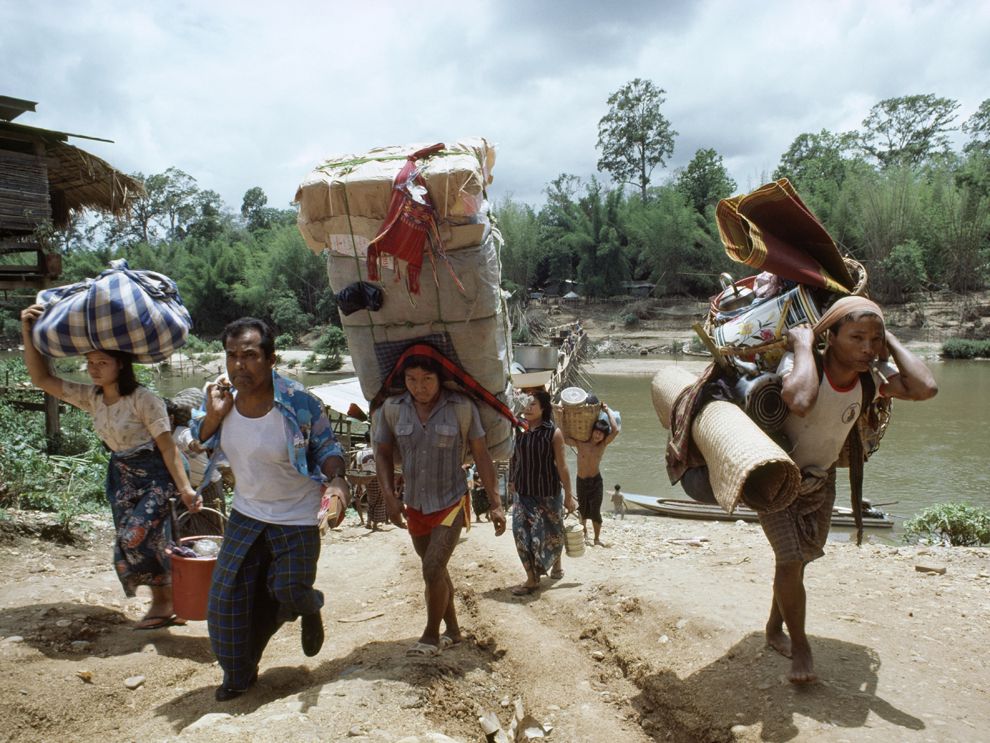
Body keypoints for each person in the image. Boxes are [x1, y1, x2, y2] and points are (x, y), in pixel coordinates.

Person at [761, 297, 937, 683]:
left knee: (800, 560)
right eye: (856, 337)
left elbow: (925, 387)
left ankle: (775, 627)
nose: (866, 348)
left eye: (873, 340)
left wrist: (887, 339)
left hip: (822, 478)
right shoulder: (800, 364)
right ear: (831, 336)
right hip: (774, 477)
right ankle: (801, 647)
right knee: (790, 559)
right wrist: (805, 345)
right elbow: (801, 400)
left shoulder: (871, 380)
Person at [191, 317, 349, 701]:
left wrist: (337, 481)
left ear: (271, 358)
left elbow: (327, 448)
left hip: (296, 516)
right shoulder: (219, 397)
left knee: (288, 590)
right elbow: (196, 438)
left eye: (249, 355)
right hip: (247, 513)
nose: (239, 365)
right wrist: (213, 415)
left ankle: (309, 606)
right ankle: (238, 674)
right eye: (231, 356)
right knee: (225, 603)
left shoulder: (299, 402)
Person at [20, 304, 201, 630]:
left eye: (102, 362)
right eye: (90, 362)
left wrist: (185, 488)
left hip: (158, 474)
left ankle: (169, 600)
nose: (93, 368)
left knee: (136, 536)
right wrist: (28, 330)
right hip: (122, 476)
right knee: (132, 541)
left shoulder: (143, 399)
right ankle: (168, 602)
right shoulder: (92, 398)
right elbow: (41, 378)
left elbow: (167, 446)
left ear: (121, 364)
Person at [373, 354, 506, 657]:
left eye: (427, 379)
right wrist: (390, 499)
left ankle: (430, 636)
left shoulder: (461, 408)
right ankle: (454, 631)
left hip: (451, 502)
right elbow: (381, 453)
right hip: (415, 505)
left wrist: (496, 503)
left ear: (440, 378)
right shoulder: (392, 410)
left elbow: (481, 455)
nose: (419, 387)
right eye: (411, 379)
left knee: (432, 568)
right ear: (403, 379)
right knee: (436, 569)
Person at [508, 388, 576, 594]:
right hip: (524, 492)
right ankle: (532, 578)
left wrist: (569, 496)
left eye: (533, 404)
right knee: (520, 532)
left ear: (543, 408)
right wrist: (512, 480)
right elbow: (514, 458)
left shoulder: (553, 433)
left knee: (552, 532)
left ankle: (556, 562)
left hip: (548, 492)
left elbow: (562, 466)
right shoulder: (519, 431)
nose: (527, 408)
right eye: (525, 404)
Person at [563, 404, 620, 545]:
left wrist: (607, 410)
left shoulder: (602, 445)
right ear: (592, 431)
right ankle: (584, 535)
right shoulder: (581, 443)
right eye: (596, 431)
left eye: (601, 434)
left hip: (596, 481)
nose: (598, 435)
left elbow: (616, 430)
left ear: (603, 437)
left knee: (595, 511)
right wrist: (562, 415)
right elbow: (564, 438)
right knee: (582, 509)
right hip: (581, 480)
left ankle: (597, 539)